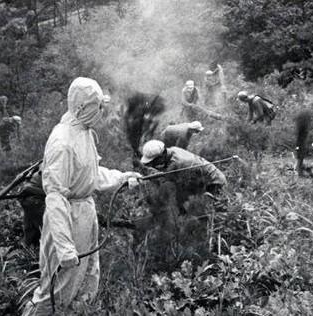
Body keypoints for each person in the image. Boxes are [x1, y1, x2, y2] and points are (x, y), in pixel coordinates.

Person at [22, 77, 141, 315]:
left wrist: (121, 177)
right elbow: (55, 196)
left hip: (84, 213)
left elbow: (91, 175)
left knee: (87, 279)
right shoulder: (62, 142)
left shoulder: (84, 132)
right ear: (81, 108)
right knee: (57, 291)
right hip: (68, 218)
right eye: (98, 106)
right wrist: (64, 247)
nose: (101, 111)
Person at [140, 140, 227, 211]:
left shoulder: (180, 164)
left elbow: (185, 186)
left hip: (214, 183)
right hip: (199, 178)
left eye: (154, 162)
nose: (152, 165)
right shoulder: (172, 151)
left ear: (162, 156)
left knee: (210, 209)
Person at [17, 168, 45, 247]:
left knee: (31, 226)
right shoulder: (46, 166)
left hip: (30, 196)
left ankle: (29, 246)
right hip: (33, 197)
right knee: (45, 226)